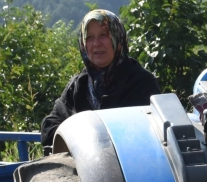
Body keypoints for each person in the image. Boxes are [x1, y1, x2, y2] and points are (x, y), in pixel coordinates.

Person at [39, 8, 160, 149]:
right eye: (89, 37)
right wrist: (81, 133)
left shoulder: (141, 82)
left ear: (118, 38)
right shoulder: (79, 85)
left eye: (104, 35)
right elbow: (48, 127)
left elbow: (146, 133)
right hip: (82, 165)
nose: (96, 43)